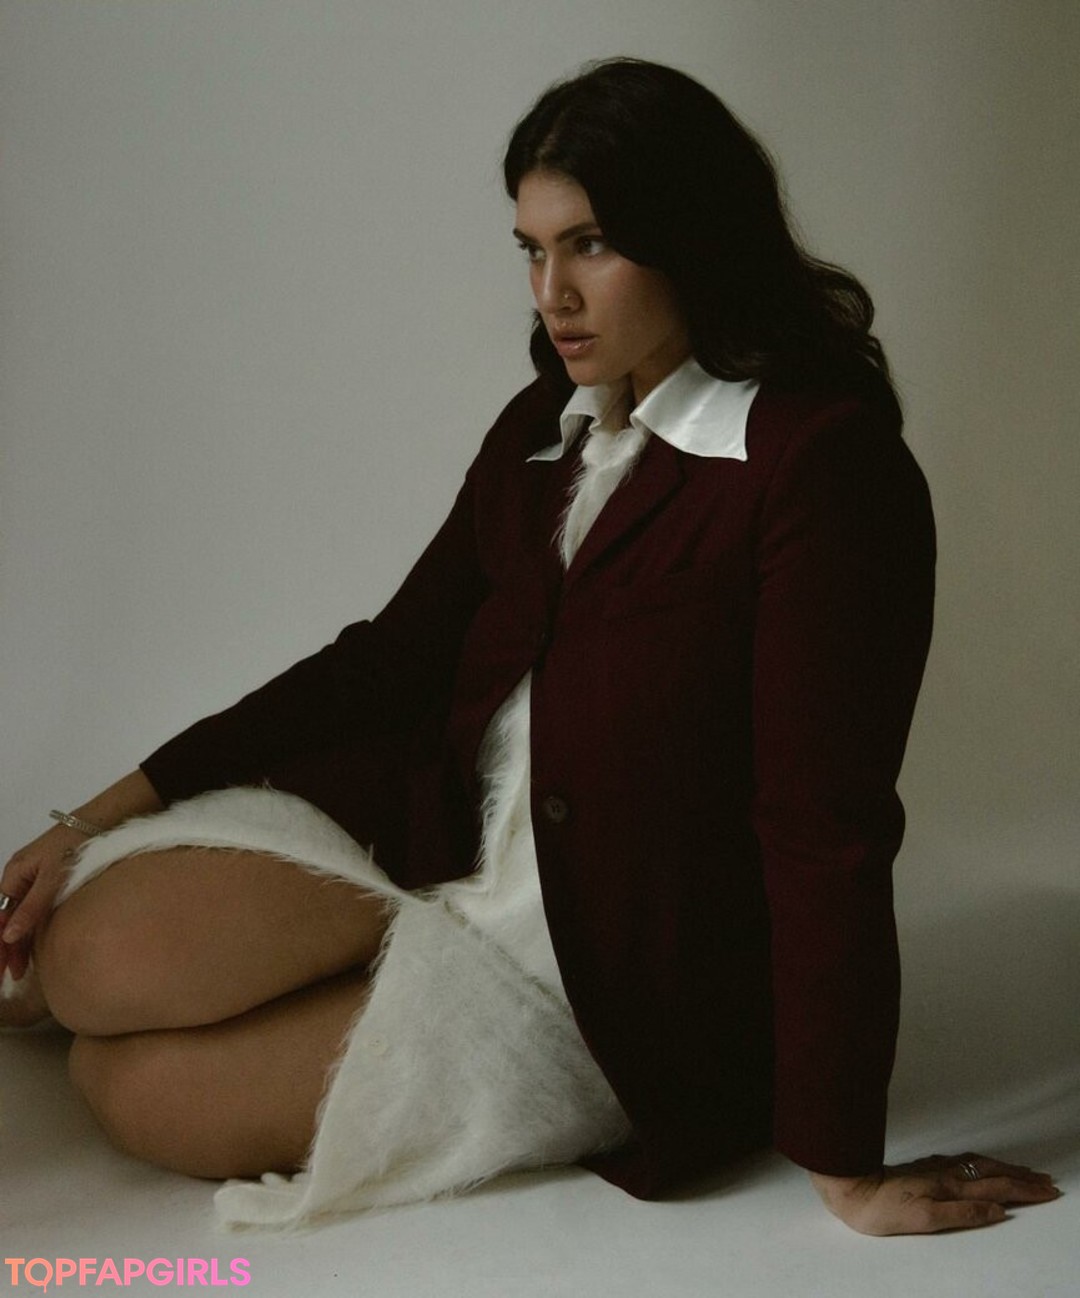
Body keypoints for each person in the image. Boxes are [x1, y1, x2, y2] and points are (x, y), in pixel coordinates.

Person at [0, 57, 1059, 1234]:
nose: (553, 293)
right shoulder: (545, 427)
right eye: (532, 249)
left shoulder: (818, 467)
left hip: (600, 982)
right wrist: (101, 809)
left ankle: (335, 1005)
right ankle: (276, 972)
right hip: (440, 849)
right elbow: (390, 655)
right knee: (82, 954)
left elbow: (826, 822)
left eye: (590, 244)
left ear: (693, 237)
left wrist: (844, 1162)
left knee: (126, 1088)